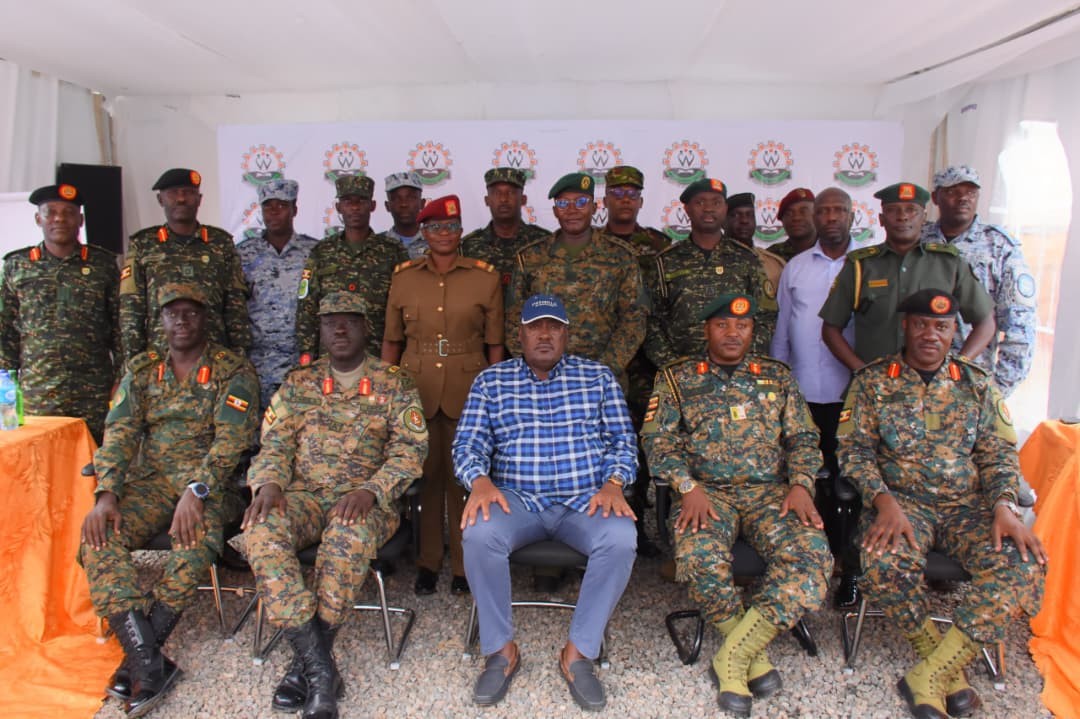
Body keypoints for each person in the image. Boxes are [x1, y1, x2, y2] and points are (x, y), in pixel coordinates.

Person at [836, 289, 1046, 719]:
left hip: (967, 507)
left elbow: (998, 455)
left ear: (954, 331)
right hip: (902, 506)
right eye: (921, 325)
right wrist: (883, 501)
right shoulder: (874, 381)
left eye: (941, 326)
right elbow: (853, 452)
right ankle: (947, 669)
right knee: (883, 560)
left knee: (1022, 561)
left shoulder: (976, 383)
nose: (931, 335)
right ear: (906, 326)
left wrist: (1005, 506)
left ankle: (931, 673)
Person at [642, 293, 832, 718]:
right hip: (706, 494)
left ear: (753, 332)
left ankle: (735, 654)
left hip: (772, 494)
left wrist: (801, 484)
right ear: (706, 330)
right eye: (722, 325)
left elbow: (803, 438)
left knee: (812, 557)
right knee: (699, 556)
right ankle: (753, 655)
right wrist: (686, 486)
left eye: (742, 326)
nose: (732, 333)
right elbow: (657, 441)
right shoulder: (678, 378)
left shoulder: (777, 377)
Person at [242, 290, 427, 719]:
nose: (339, 329)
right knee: (261, 529)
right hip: (304, 497)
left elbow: (410, 452)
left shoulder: (394, 383)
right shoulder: (298, 383)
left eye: (349, 321)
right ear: (321, 331)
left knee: (346, 537)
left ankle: (304, 670)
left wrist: (372, 490)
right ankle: (321, 669)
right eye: (330, 322)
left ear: (366, 328)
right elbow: (275, 444)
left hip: (365, 503)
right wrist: (269, 483)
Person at [79, 283, 259, 717]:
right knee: (98, 539)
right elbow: (120, 434)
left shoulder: (232, 370)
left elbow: (231, 441)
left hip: (211, 488)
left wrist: (197, 489)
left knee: (192, 547)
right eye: (172, 313)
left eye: (190, 313)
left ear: (205, 318)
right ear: (160, 319)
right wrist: (107, 494)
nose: (181, 321)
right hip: (153, 482)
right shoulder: (143, 369)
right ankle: (148, 661)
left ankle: (138, 662)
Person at [453, 294, 638, 711]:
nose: (544, 335)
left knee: (621, 538)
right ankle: (500, 650)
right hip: (517, 499)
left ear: (566, 334)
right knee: (479, 533)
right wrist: (479, 481)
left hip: (585, 499)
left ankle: (579, 653)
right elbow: (467, 443)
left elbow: (623, 441)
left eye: (554, 327)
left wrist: (614, 483)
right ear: (519, 334)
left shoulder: (598, 378)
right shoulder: (491, 382)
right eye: (535, 326)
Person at [382, 195, 504, 596]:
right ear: (424, 232)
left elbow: (495, 345)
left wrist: (495, 394)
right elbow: (392, 341)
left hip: (469, 388)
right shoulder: (404, 277)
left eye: (451, 227)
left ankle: (465, 567)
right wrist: (384, 393)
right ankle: (428, 562)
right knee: (427, 477)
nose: (444, 234)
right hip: (416, 388)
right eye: (435, 227)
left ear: (461, 231)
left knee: (466, 478)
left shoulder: (484, 277)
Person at [772, 187, 860, 608]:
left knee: (852, 482)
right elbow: (782, 330)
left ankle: (849, 568)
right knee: (807, 478)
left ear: (852, 215)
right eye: (823, 211)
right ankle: (813, 561)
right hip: (803, 391)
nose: (830, 217)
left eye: (838, 210)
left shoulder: (867, 264)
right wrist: (777, 386)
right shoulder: (795, 267)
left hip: (854, 395)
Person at [819, 182, 996, 370]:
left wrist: (956, 368)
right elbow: (830, 330)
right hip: (876, 384)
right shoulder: (861, 266)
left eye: (911, 210)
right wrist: (863, 372)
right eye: (893, 210)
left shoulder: (949, 264)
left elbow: (985, 323)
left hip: (932, 385)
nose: (902, 217)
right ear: (881, 219)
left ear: (924, 218)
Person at [0, 184, 120, 444]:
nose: (59, 219)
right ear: (38, 219)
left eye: (68, 212)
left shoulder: (103, 264)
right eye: (51, 212)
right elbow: (5, 331)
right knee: (41, 461)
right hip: (39, 392)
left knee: (95, 459)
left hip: (93, 392)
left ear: (81, 220)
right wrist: (5, 385)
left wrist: (122, 377)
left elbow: (120, 326)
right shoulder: (17, 265)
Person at [505, 172, 646, 389]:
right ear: (555, 210)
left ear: (595, 207)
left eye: (581, 202)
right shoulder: (530, 258)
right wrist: (536, 368)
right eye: (563, 203)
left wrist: (602, 370)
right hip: (541, 381)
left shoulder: (621, 256)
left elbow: (633, 321)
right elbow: (514, 320)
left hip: (602, 380)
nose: (572, 210)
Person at [920, 165, 1037, 397]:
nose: (963, 198)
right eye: (953, 191)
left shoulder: (1000, 247)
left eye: (971, 192)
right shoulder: (917, 239)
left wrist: (998, 390)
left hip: (971, 382)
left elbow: (1020, 326)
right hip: (916, 378)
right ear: (935, 197)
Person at [602, 164, 670, 557]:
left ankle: (640, 527)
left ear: (641, 201)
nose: (624, 200)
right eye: (617, 193)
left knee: (644, 443)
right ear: (605, 200)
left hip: (649, 364)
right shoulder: (593, 244)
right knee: (605, 441)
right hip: (608, 363)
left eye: (631, 194)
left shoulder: (659, 245)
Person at [120, 168, 250, 363]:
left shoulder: (220, 243)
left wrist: (239, 356)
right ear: (160, 199)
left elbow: (235, 306)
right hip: (161, 359)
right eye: (173, 193)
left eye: (188, 192)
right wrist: (134, 362)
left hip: (214, 357)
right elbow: (131, 309)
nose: (181, 199)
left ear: (199, 199)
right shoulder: (143, 244)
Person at [645, 178, 776, 362]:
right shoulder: (665, 261)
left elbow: (766, 316)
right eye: (700, 202)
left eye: (716, 203)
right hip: (683, 371)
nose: (708, 209)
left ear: (725, 208)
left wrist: (744, 362)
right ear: (687, 209)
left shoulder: (746, 258)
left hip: (738, 371)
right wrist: (672, 366)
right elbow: (651, 322)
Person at [295, 175, 408, 363]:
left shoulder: (392, 251)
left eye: (361, 201)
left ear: (372, 205)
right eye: (348, 202)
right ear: (338, 207)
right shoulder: (322, 252)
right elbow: (307, 307)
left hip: (378, 356)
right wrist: (307, 354)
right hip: (331, 357)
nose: (355, 208)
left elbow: (404, 307)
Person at [237, 179, 320, 411]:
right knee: (258, 426)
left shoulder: (314, 251)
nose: (274, 212)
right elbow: (235, 306)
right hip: (258, 362)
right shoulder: (244, 253)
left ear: (294, 210)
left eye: (282, 205)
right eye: (268, 206)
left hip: (301, 360)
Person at [460, 167, 550, 295]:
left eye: (511, 192)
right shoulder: (467, 247)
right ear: (487, 200)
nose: (503, 199)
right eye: (496, 193)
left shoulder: (544, 241)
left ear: (523, 199)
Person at [724, 191, 786, 341]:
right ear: (723, 221)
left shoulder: (774, 264)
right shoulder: (710, 261)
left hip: (763, 345)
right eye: (736, 215)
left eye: (750, 215)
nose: (744, 221)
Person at [384, 172, 426, 259]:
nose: (404, 204)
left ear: (422, 203)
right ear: (387, 206)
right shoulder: (377, 245)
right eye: (396, 198)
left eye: (411, 198)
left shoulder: (436, 242)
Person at [771, 187, 817, 260]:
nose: (796, 218)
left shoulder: (831, 250)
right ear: (782, 221)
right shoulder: (772, 256)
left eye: (803, 212)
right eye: (789, 213)